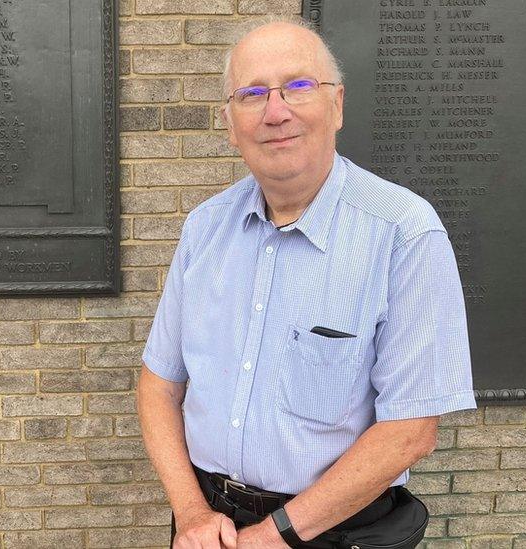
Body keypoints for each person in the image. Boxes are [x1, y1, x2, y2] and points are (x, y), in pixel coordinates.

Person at [136, 18, 477, 549]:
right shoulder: (205, 228)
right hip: (208, 527)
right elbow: (159, 384)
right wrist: (190, 513)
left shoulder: (404, 233)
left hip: (334, 531)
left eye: (298, 86)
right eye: (252, 94)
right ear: (230, 123)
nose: (276, 112)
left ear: (336, 104)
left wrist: (272, 536)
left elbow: (411, 430)